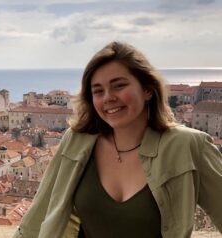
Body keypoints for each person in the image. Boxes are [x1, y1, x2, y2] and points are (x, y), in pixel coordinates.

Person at [13, 42, 222, 238]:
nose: (108, 98)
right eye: (98, 91)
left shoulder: (189, 146)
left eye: (119, 86)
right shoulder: (76, 140)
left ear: (147, 89)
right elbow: (39, 215)